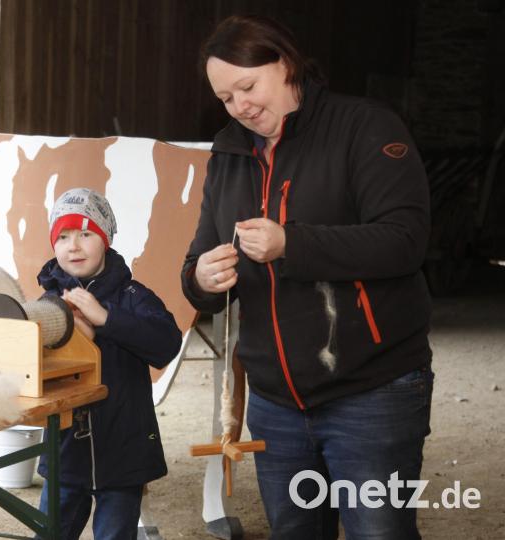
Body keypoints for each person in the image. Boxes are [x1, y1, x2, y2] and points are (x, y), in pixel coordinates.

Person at [181, 15, 433, 540]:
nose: (240, 106)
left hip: (372, 390)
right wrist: (203, 277)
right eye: (226, 98)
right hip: (275, 403)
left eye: (247, 86)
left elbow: (405, 239)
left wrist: (292, 243)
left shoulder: (365, 126)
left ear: (286, 63)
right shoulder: (229, 152)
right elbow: (195, 268)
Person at [36, 188, 182, 539]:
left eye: (86, 234)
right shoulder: (47, 304)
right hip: (66, 452)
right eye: (64, 236)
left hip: (123, 452)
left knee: (114, 535)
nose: (74, 245)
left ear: (106, 239)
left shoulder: (133, 298)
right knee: (49, 533)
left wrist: (105, 319)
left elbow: (166, 344)